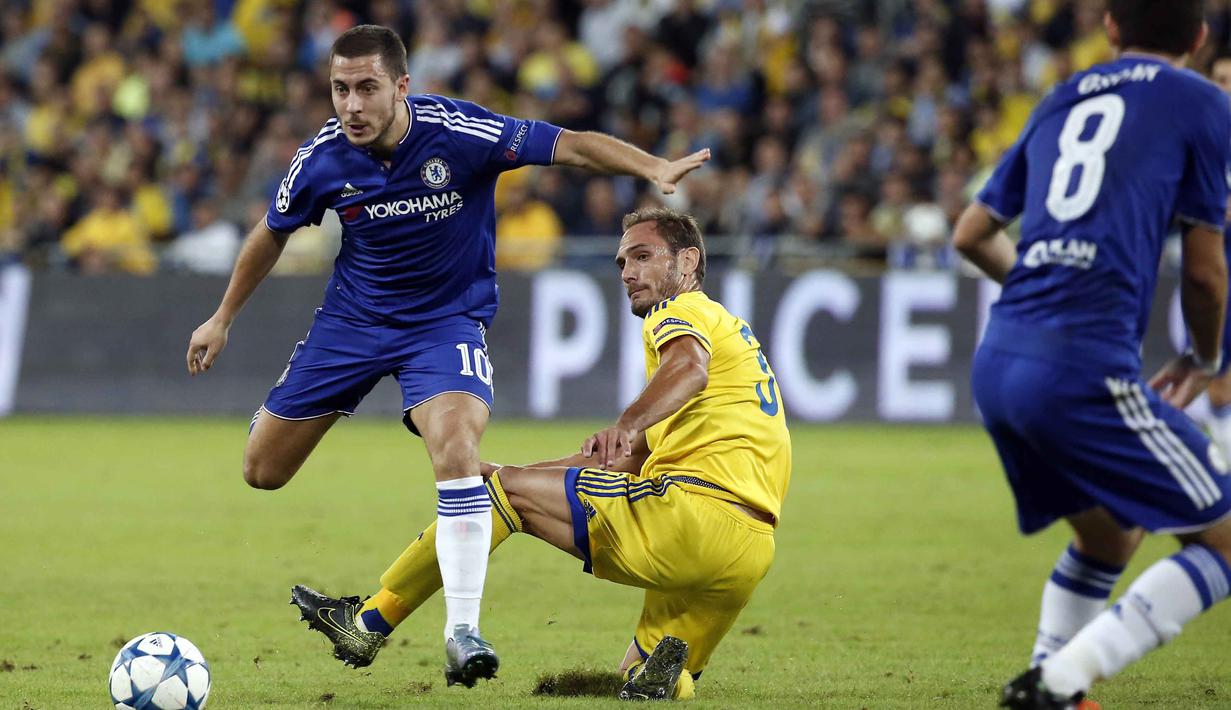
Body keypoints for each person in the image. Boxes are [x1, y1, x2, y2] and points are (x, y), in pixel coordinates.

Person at [184, 25, 710, 687]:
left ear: (402, 86)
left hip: (444, 324)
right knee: (262, 471)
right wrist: (222, 316)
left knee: (457, 446)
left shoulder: (460, 132)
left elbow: (569, 146)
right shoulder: (321, 158)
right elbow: (272, 230)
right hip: (351, 324)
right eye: (340, 89)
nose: (351, 104)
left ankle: (463, 629)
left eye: (367, 88)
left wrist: (650, 167)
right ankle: (424, 530)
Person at [291, 207, 792, 700]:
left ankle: (366, 622)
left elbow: (688, 370)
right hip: (748, 549)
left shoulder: (680, 311)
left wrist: (624, 422)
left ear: (687, 263)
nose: (629, 273)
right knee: (646, 675)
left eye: (643, 256)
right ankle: (665, 679)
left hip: (691, 518)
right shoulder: (730, 333)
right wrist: (518, 472)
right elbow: (621, 461)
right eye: (622, 262)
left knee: (494, 494)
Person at [952, 2, 1231, 708]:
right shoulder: (1201, 102)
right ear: (1198, 39)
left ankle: (1055, 687)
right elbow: (1203, 272)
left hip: (999, 361)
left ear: (1108, 27)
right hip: (1077, 368)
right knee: (1225, 540)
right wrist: (1204, 357)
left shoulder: (1060, 97)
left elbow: (969, 233)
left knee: (1111, 538)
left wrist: (1041, 292)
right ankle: (1056, 683)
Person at [1201, 52, 1231, 460]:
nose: (1222, 86)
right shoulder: (1204, 142)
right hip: (1215, 270)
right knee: (1217, 379)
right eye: (1218, 78)